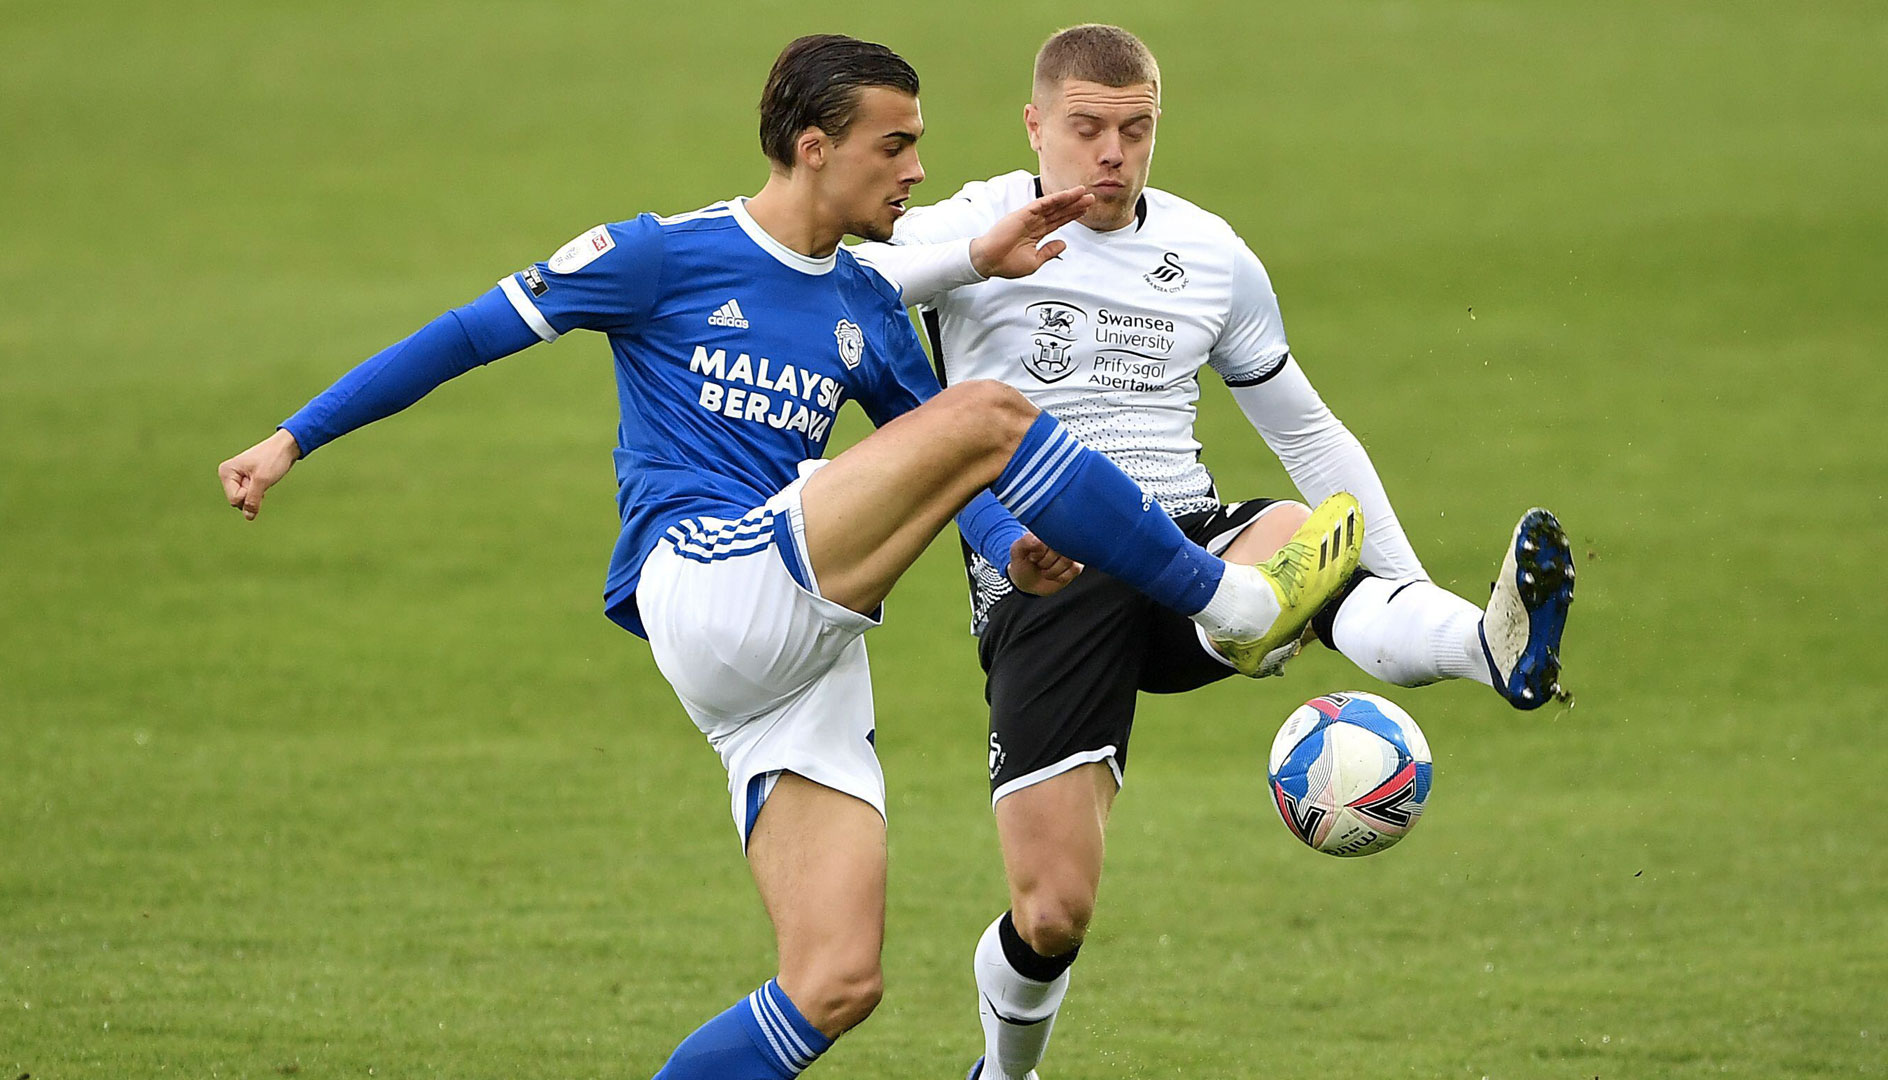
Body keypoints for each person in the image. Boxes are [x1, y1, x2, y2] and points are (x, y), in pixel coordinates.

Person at [214, 35, 1367, 1080]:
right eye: (895, 145)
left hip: (796, 662)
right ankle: (1231, 598)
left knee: (835, 984)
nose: (916, 170)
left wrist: (1010, 549)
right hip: (706, 574)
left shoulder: (861, 299)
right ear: (815, 149)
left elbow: (950, 463)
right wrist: (291, 437)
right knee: (993, 409)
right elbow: (464, 336)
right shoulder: (660, 256)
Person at [852, 24, 1576, 1080]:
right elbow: (853, 287)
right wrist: (977, 254)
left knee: (1299, 536)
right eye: (1087, 128)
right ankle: (1005, 1072)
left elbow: (1310, 433)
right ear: (1035, 124)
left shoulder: (1211, 252)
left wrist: (1403, 571)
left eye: (1136, 130)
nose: (1112, 152)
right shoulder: (974, 217)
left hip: (1191, 541)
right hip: (1052, 574)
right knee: (1053, 913)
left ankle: (1481, 642)